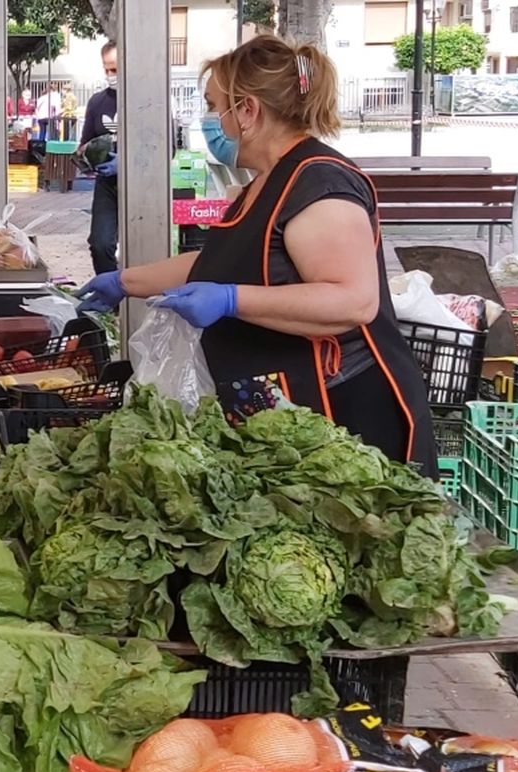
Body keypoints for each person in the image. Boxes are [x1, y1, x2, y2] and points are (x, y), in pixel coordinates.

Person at [75, 35, 437, 473]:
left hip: (344, 413)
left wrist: (231, 300)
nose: (211, 121)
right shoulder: (266, 181)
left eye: (214, 106)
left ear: (248, 111)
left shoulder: (319, 185)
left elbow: (353, 301)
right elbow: (224, 262)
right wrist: (124, 282)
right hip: (287, 410)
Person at [81, 42, 120, 274]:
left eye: (114, 69)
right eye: (106, 69)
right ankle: (111, 297)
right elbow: (85, 142)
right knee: (100, 243)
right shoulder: (97, 102)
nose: (109, 75)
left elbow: (168, 148)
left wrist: (125, 163)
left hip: (142, 184)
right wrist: (87, 156)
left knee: (141, 247)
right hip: (107, 184)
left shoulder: (151, 99)